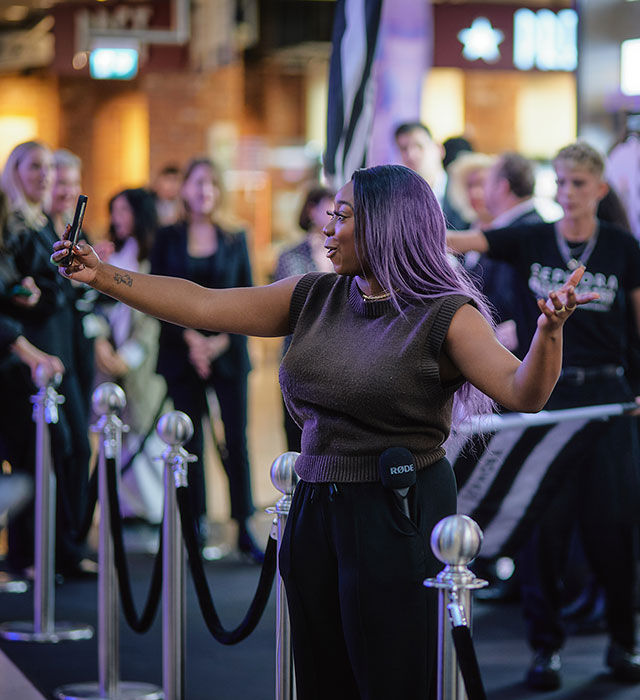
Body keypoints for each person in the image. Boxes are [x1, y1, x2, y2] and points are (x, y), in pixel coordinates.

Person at [53, 162, 595, 699]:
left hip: (397, 511)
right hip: (314, 506)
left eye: (341, 216)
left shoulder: (446, 314)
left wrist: (549, 332)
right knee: (320, 675)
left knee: (392, 677)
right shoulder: (316, 294)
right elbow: (204, 304)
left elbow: (525, 393)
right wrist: (102, 275)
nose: (326, 228)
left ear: (385, 226)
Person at [447, 142, 640, 690]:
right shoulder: (532, 238)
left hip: (608, 403)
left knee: (613, 527)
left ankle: (626, 642)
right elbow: (458, 239)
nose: (567, 192)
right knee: (543, 529)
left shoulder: (623, 247)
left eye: (578, 183)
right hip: (546, 403)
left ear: (600, 189)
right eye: (560, 182)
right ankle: (545, 649)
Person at [149, 157, 260, 560]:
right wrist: (192, 339)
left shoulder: (236, 237)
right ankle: (191, 522)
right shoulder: (167, 238)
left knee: (236, 440)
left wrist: (219, 342)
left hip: (228, 352)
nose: (204, 191)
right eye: (197, 183)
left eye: (212, 184)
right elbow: (157, 297)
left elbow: (250, 296)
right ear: (185, 189)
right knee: (189, 438)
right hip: (182, 352)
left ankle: (243, 526)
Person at [1, 140, 95, 579]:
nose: (44, 175)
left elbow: (56, 289)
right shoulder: (13, 226)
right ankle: (29, 555)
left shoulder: (42, 224)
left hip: (56, 351)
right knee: (39, 454)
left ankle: (60, 550)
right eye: (34, 167)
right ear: (15, 171)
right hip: (24, 356)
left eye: (47, 168)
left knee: (70, 449)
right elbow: (15, 295)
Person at [93, 187, 168, 523]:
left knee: (143, 429)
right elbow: (94, 304)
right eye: (114, 210)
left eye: (124, 211)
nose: (116, 219)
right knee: (114, 432)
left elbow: (153, 317)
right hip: (107, 359)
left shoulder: (154, 257)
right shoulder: (109, 253)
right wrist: (101, 343)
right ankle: (123, 507)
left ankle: (151, 509)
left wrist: (129, 355)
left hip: (143, 362)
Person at [273, 185, 334, 451]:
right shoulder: (291, 255)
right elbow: (296, 305)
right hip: (300, 352)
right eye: (330, 211)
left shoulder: (348, 254)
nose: (335, 218)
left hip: (339, 357)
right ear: (311, 210)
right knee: (297, 435)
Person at [394, 121, 467, 230]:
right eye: (404, 149)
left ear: (439, 149)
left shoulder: (464, 188)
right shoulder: (399, 198)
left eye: (419, 146)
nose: (411, 155)